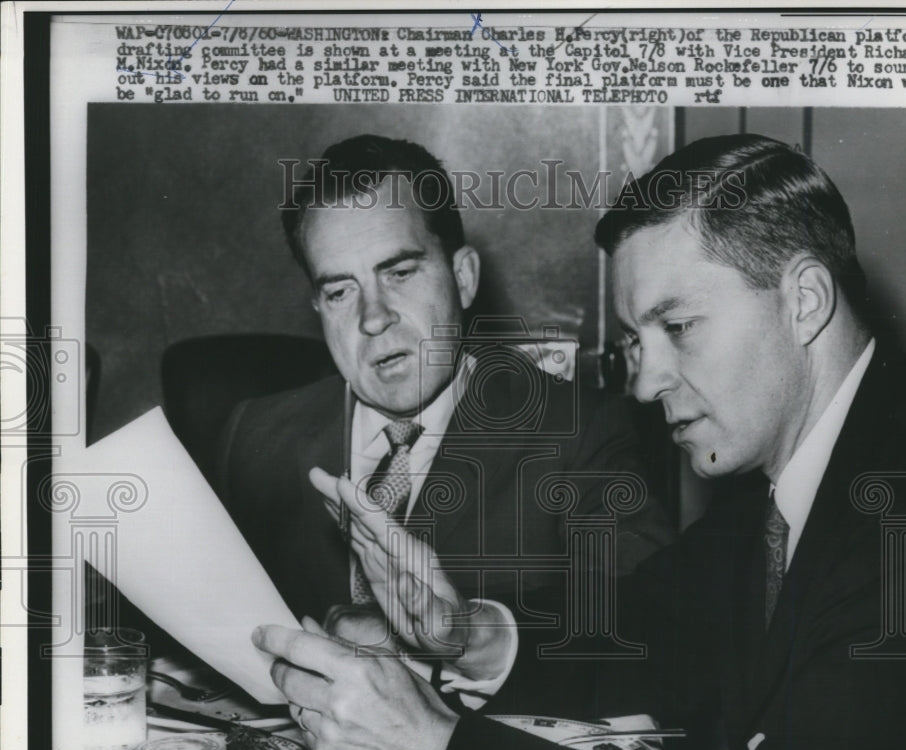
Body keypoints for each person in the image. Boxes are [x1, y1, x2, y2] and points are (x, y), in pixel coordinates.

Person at [253, 134, 906, 750]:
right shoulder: (785, 488)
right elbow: (642, 629)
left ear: (806, 300)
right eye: (637, 338)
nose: (644, 381)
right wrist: (465, 631)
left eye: (679, 327)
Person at [217, 134, 670, 625]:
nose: (373, 318)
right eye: (340, 292)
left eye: (401, 273)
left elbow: (643, 628)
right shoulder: (255, 436)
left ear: (464, 278)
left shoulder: (579, 434)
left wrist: (469, 635)